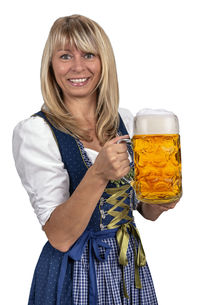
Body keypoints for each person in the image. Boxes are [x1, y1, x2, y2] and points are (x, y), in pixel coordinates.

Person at [12, 14, 179, 305]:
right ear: (51, 66)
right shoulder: (37, 133)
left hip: (129, 266)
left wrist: (160, 201)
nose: (78, 67)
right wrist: (98, 173)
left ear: (103, 62)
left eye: (88, 54)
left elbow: (144, 211)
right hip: (74, 272)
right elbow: (60, 237)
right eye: (65, 56)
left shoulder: (125, 120)